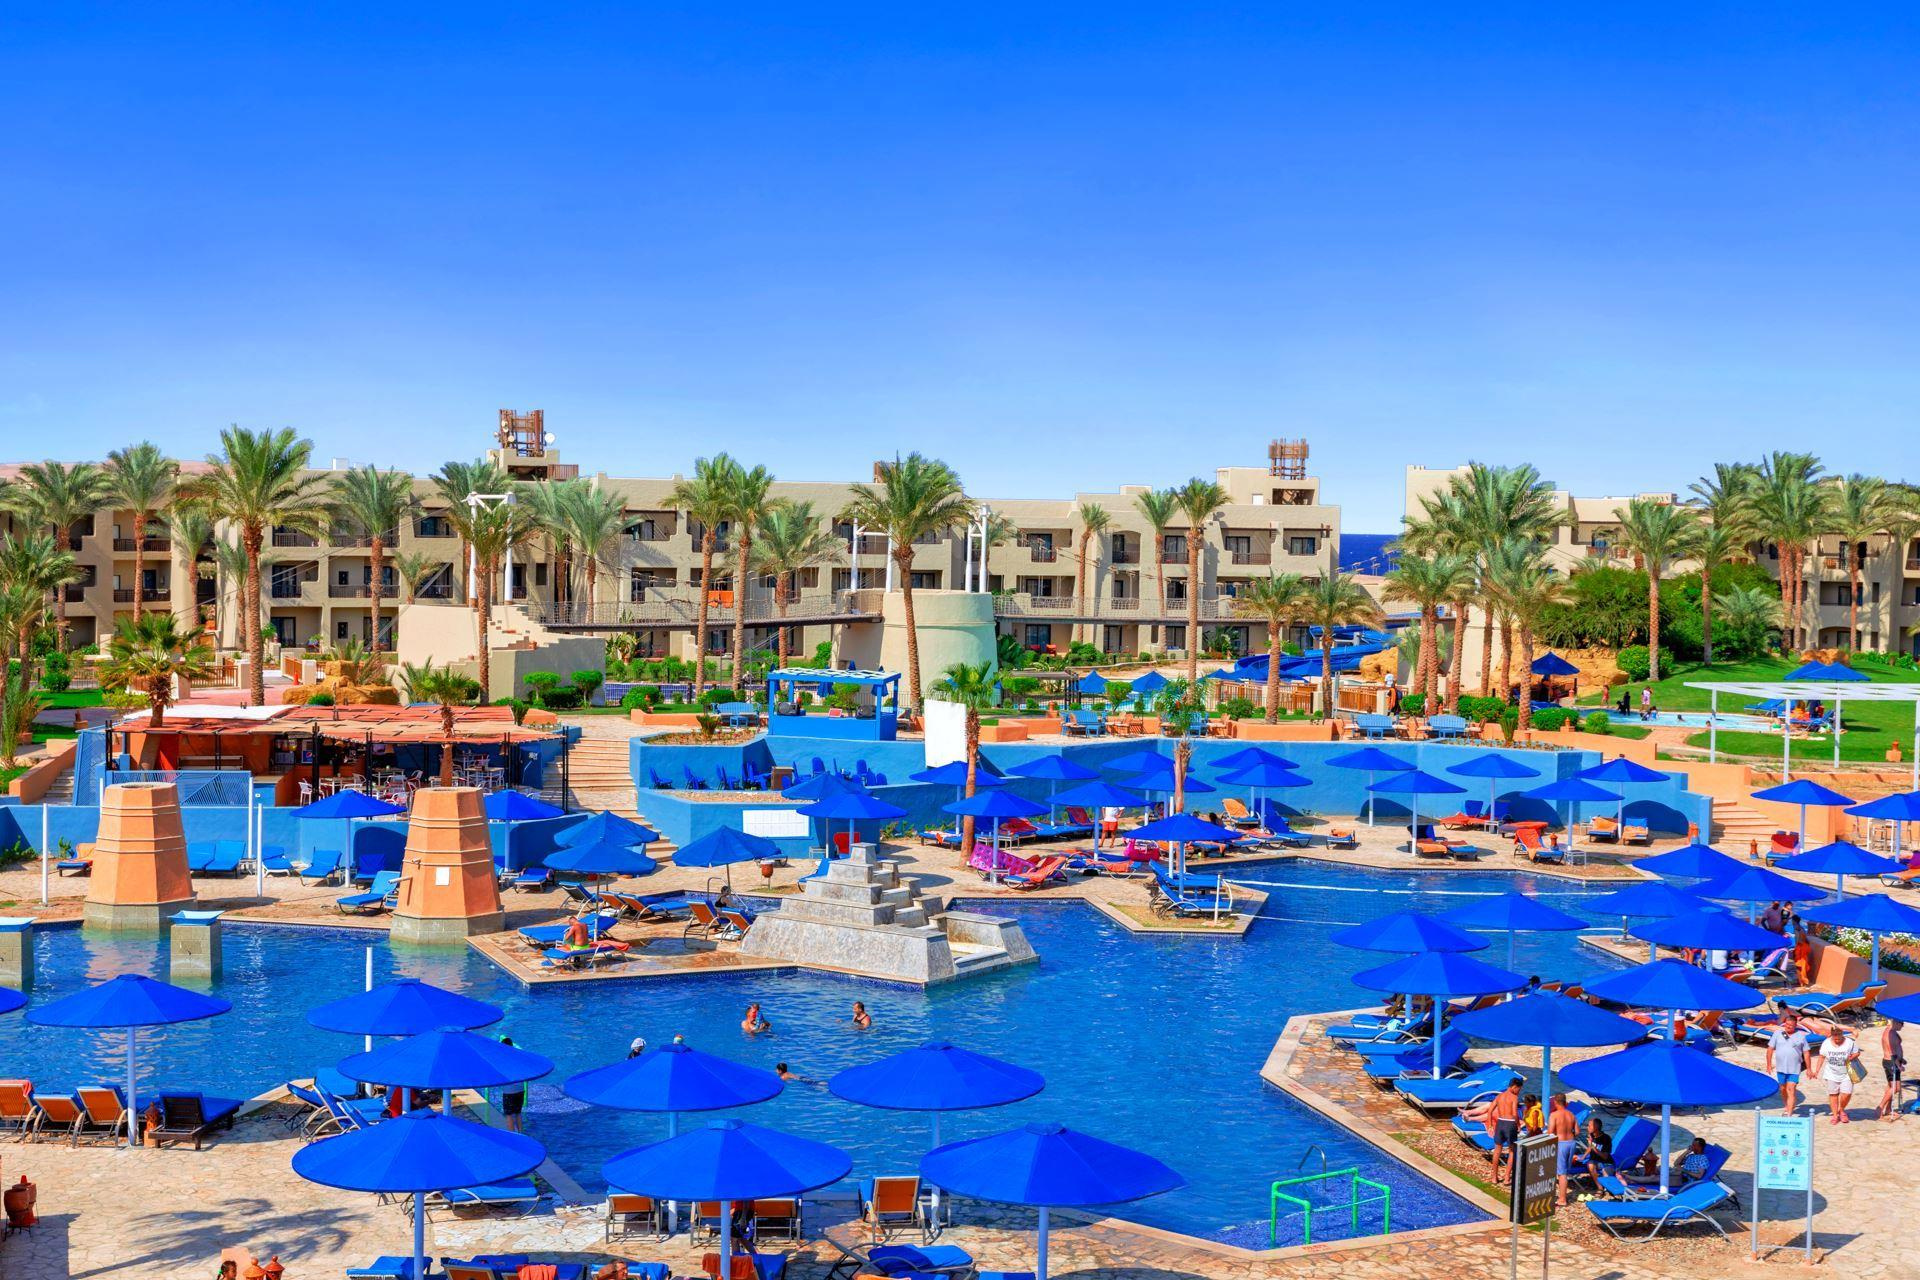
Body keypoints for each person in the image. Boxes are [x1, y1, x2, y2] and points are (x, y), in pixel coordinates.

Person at [1766, 1012, 1812, 1116]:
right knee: (1783, 1089)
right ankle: (1787, 1106)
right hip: (1781, 1068)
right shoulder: (1778, 1034)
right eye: (1787, 1024)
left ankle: (1789, 1114)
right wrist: (1768, 1064)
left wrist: (1809, 1069)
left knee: (1791, 1089)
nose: (1788, 1027)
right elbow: (1770, 1049)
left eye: (1791, 1025)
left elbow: (1806, 1053)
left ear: (1795, 1026)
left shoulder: (1801, 1036)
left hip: (1794, 1069)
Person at [1821, 1021, 1861, 1124]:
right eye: (1835, 1037)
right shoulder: (1826, 1043)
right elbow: (1822, 1056)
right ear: (1832, 1035)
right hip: (1831, 1072)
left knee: (1847, 1093)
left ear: (1842, 1034)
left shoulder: (1850, 1042)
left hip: (1847, 1071)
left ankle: (1841, 1109)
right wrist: (1816, 1070)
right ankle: (1835, 1115)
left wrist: (1851, 1057)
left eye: (1839, 1037)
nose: (1837, 1039)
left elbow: (1857, 1052)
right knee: (1833, 1094)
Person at [1548, 1094, 1579, 1207]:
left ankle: (1562, 1199)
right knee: (1565, 1170)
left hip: (1561, 1144)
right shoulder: (1571, 1115)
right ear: (1565, 1103)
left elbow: (1550, 1132)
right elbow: (1577, 1132)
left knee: (1562, 1173)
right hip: (1571, 1143)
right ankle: (1562, 1196)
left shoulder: (1554, 1115)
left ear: (1555, 1102)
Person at [498, 1037, 526, 1132]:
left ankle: (512, 1136)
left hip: (509, 1091)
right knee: (518, 1113)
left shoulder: (502, 1059)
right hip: (520, 1089)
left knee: (509, 1114)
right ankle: (521, 1133)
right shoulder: (518, 1057)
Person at [1880, 1019, 1906, 1121]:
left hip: (1893, 1062)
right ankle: (1880, 1107)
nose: (1903, 1026)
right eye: (1902, 1023)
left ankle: (1888, 1109)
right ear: (1896, 1022)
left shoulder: (1891, 1031)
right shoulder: (1890, 1034)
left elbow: (1896, 1048)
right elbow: (1892, 1053)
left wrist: (1901, 1059)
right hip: (1891, 1062)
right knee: (1896, 1088)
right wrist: (1898, 1065)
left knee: (1891, 1087)